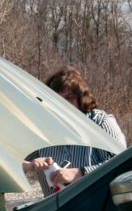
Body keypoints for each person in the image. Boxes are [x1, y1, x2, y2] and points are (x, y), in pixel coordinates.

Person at [23, 66, 126, 196]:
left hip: (99, 209)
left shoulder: (100, 122)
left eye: (69, 98)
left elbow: (123, 165)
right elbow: (10, 162)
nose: (62, 104)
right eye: (56, 99)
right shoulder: (42, 130)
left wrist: (80, 173)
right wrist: (29, 166)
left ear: (80, 98)